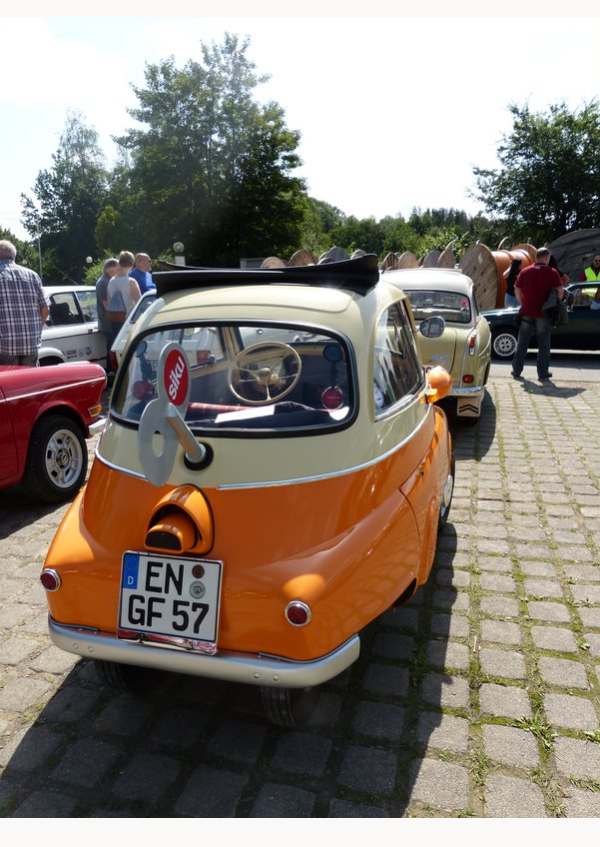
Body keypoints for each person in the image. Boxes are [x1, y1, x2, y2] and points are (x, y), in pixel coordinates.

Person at [511, 247, 564, 381]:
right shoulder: (552, 272)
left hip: (526, 312)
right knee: (543, 343)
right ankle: (542, 372)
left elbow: (516, 289)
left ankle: (516, 370)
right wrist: (555, 304)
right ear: (546, 258)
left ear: (536, 257)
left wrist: (523, 302)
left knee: (522, 342)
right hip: (543, 313)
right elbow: (560, 290)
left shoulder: (525, 271)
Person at [0, 239, 49, 366]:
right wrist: (37, 329)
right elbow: (45, 309)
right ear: (13, 256)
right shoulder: (32, 275)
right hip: (31, 342)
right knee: (30, 378)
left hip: (4, 345)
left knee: (8, 379)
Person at [96, 257, 120, 373]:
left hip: (110, 322)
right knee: (112, 349)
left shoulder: (106, 281)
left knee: (113, 348)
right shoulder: (104, 283)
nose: (119, 270)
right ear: (110, 269)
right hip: (109, 323)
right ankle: (111, 374)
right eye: (117, 268)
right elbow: (107, 304)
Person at [107, 251, 141, 327]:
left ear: (119, 263)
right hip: (129, 321)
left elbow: (109, 302)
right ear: (132, 264)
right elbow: (139, 303)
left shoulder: (111, 281)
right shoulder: (131, 282)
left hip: (115, 319)